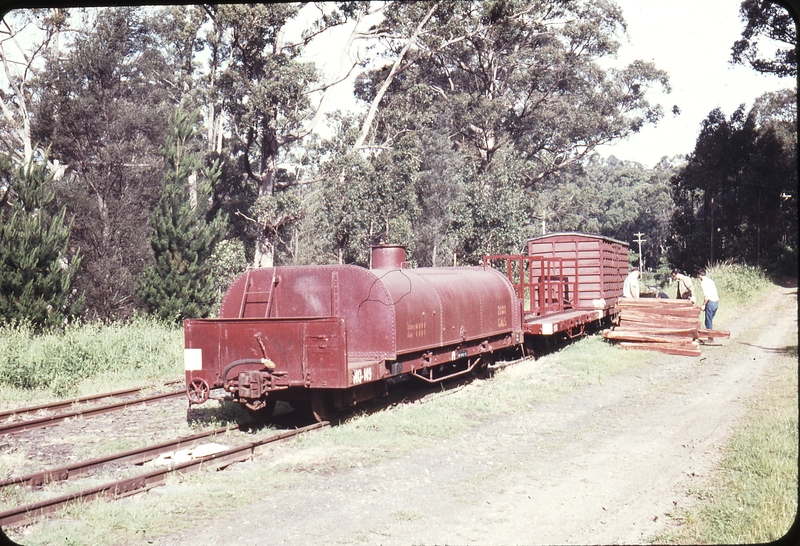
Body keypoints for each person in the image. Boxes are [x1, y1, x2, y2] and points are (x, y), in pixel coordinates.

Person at [698, 269, 719, 338]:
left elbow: (706, 296)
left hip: (710, 302)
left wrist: (704, 304)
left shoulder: (703, 283)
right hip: (716, 302)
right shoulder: (711, 281)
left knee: (708, 321)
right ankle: (709, 335)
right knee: (710, 320)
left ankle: (710, 337)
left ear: (700, 275)